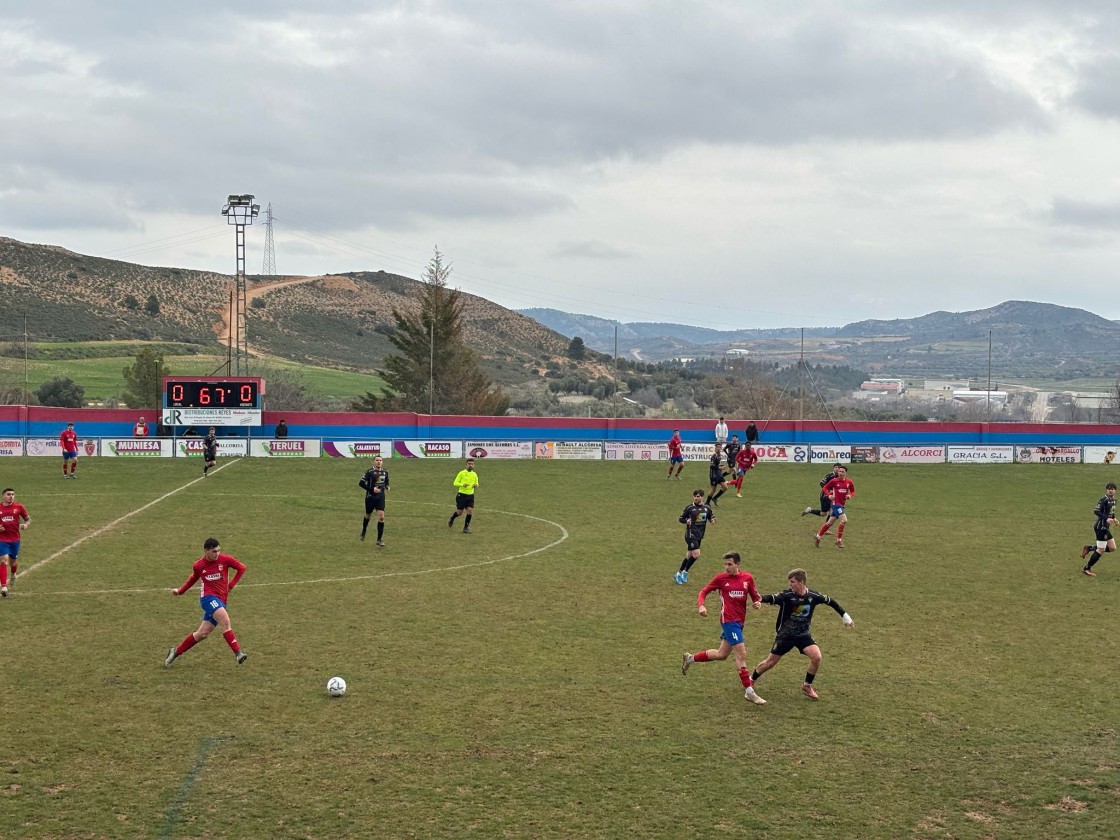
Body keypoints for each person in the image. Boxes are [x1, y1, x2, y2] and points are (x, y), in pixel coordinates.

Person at [750, 568, 854, 700]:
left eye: (792, 582)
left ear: (801, 582)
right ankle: (751, 679)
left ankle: (807, 685)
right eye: (789, 582)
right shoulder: (787, 595)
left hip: (802, 635)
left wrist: (845, 617)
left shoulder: (813, 596)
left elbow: (830, 601)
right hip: (785, 635)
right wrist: (759, 600)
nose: (790, 584)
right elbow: (772, 597)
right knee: (771, 662)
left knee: (816, 657)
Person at [680, 551, 766, 705]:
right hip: (728, 621)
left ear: (738, 564)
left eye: (730, 564)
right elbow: (703, 591)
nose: (726, 567)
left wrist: (757, 602)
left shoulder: (747, 578)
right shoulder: (721, 579)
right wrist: (701, 605)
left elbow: (755, 595)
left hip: (739, 622)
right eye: (725, 564)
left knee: (722, 654)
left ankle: (690, 658)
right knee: (741, 653)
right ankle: (749, 692)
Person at [164, 537, 248, 667]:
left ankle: (175, 652)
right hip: (208, 599)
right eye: (214, 551)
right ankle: (238, 653)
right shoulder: (199, 565)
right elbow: (193, 579)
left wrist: (230, 586)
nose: (217, 554)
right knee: (225, 621)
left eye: (219, 550)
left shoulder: (225, 559)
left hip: (221, 600)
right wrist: (180, 591)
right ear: (206, 551)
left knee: (202, 634)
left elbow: (242, 568)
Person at [674, 490, 714, 585]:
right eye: (695, 496)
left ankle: (678, 573)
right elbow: (681, 518)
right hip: (690, 534)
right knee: (696, 554)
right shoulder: (689, 508)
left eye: (698, 496)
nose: (696, 498)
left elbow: (711, 516)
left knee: (689, 556)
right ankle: (685, 572)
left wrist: (712, 520)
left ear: (702, 497)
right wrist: (686, 521)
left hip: (700, 535)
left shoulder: (706, 508)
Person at [814, 465, 855, 548]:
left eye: (842, 472)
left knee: (829, 523)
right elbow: (825, 487)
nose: (840, 473)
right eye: (839, 471)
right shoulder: (834, 481)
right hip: (835, 505)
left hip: (842, 505)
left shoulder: (849, 482)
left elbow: (853, 491)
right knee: (844, 520)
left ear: (845, 473)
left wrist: (850, 495)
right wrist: (829, 495)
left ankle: (818, 536)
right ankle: (838, 540)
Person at [1081, 482, 1117, 577]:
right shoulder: (1104, 499)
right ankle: (1087, 568)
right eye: (1109, 488)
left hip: (1106, 528)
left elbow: (1111, 513)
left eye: (1112, 488)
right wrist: (1106, 519)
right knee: (1101, 549)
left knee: (1112, 547)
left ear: (1115, 491)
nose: (1110, 490)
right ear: (1106, 490)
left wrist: (1114, 518)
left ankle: (1089, 548)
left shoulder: (1114, 500)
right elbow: (1096, 511)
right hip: (1100, 527)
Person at [0, 488, 30, 598]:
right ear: (3, 496)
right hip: (2, 540)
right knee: (3, 561)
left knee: (13, 563)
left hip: (15, 539)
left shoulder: (19, 507)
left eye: (12, 494)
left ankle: (13, 574)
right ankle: (4, 587)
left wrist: (26, 525)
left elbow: (28, 519)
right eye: (8, 494)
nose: (11, 496)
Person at [359, 455, 390, 546]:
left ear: (382, 461)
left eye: (380, 460)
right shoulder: (369, 472)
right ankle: (364, 529)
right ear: (374, 461)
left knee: (381, 517)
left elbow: (386, 481)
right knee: (368, 515)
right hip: (370, 497)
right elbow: (361, 483)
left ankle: (379, 540)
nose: (379, 462)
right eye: (377, 460)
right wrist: (372, 489)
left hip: (380, 497)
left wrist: (387, 487)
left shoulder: (385, 472)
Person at [448, 458, 478, 533]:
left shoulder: (474, 474)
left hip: (470, 495)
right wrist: (462, 484)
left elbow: (477, 483)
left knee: (470, 511)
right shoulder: (461, 473)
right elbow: (455, 483)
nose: (470, 465)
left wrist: (476, 485)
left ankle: (465, 528)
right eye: (469, 464)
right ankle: (452, 518)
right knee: (459, 512)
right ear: (466, 465)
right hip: (461, 495)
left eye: (472, 464)